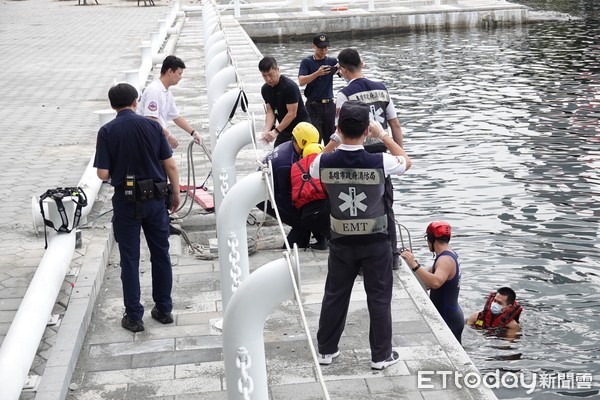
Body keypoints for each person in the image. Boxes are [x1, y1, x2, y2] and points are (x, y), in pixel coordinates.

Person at [310, 100, 412, 370]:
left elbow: (311, 166)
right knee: (379, 298)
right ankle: (381, 356)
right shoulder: (380, 160)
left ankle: (326, 350)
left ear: (338, 128)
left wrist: (334, 139)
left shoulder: (324, 161)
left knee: (335, 294)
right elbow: (406, 161)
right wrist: (383, 135)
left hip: (341, 241)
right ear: (367, 130)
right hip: (376, 242)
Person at [94, 83, 181, 333]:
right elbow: (171, 166)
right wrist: (175, 193)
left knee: (130, 260)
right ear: (136, 101)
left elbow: (102, 173)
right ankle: (164, 309)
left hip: (126, 202)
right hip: (155, 201)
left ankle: (134, 317)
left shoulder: (107, 131)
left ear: (112, 106)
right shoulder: (153, 126)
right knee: (160, 254)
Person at [331, 48, 405, 270]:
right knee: (386, 205)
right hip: (382, 154)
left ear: (342, 70)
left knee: (361, 207)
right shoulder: (382, 89)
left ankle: (364, 261)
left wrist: (332, 155)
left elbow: (340, 131)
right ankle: (392, 256)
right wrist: (398, 155)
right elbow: (395, 124)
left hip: (358, 155)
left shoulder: (344, 95)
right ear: (362, 64)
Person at [257, 122, 320, 249]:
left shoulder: (289, 147)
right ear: (302, 143)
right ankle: (291, 248)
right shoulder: (286, 163)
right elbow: (286, 196)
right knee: (301, 222)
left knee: (304, 218)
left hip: (274, 189)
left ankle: (299, 245)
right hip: (265, 196)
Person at [401, 221, 464, 344]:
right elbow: (426, 280)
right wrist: (410, 261)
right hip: (451, 313)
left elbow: (435, 283)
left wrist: (414, 264)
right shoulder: (448, 255)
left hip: (448, 318)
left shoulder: (445, 260)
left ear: (431, 238)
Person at [137, 55, 202, 149]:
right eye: (179, 74)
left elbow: (176, 117)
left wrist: (193, 133)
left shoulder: (166, 92)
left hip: (158, 137)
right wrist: (168, 136)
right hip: (147, 139)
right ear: (170, 71)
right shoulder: (154, 90)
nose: (181, 77)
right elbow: (151, 120)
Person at [259, 56, 311, 147]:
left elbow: (292, 113)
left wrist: (276, 131)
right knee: (277, 153)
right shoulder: (265, 89)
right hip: (285, 128)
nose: (268, 79)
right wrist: (266, 131)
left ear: (278, 69)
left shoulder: (289, 86)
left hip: (301, 127)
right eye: (264, 76)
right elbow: (270, 111)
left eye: (271, 75)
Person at [298, 33, 338, 145]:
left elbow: (344, 71)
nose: (323, 51)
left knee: (332, 138)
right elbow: (301, 81)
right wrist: (317, 73)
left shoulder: (332, 61)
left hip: (329, 105)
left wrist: (339, 68)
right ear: (313, 46)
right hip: (313, 105)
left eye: (326, 48)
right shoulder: (307, 62)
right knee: (315, 137)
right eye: (320, 48)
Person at [290, 142, 330, 250]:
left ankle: (321, 240)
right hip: (326, 213)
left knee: (311, 213)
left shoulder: (295, 166)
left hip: (306, 218)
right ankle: (330, 239)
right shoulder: (324, 163)